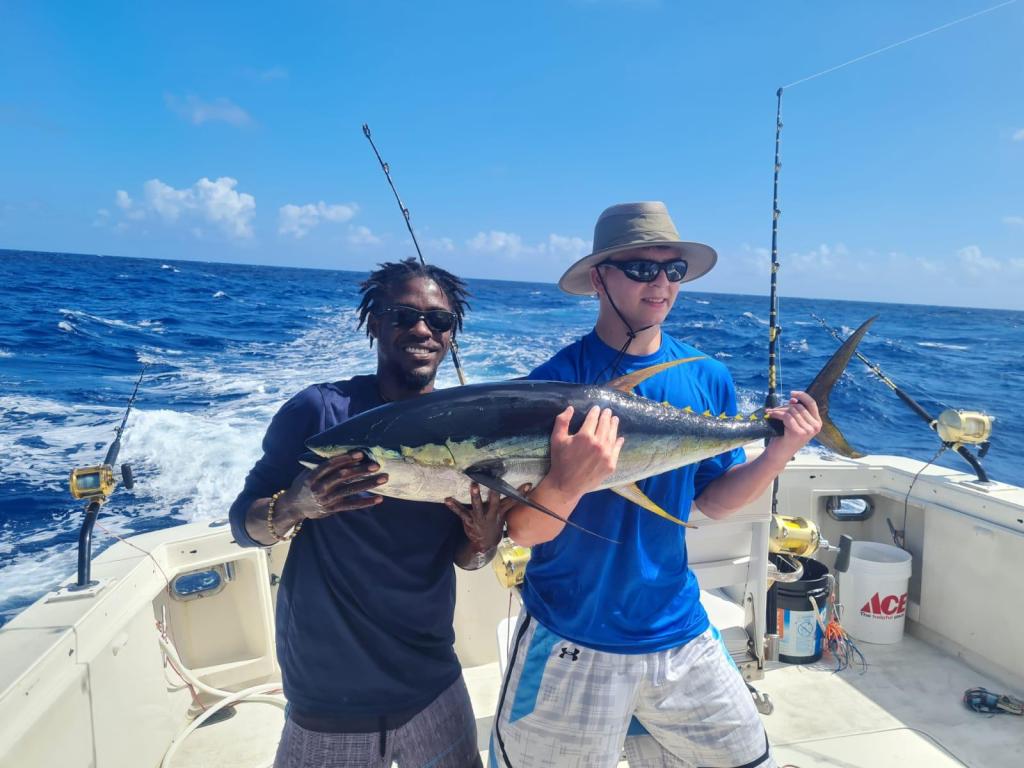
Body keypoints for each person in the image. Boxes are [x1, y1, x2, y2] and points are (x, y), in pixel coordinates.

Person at [491, 202, 822, 768]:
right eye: (642, 269)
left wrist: (782, 449)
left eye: (674, 270)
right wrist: (571, 479)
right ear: (599, 278)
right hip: (572, 635)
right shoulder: (549, 386)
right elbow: (523, 531)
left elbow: (711, 501)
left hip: (678, 628)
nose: (662, 283)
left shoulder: (706, 376)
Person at [230, 257, 521, 768]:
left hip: (432, 678)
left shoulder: (468, 431)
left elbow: (465, 558)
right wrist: (297, 504)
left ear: (452, 335)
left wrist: (482, 541)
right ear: (374, 323)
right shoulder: (320, 413)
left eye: (439, 320)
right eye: (403, 315)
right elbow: (245, 526)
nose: (422, 330)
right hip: (328, 690)